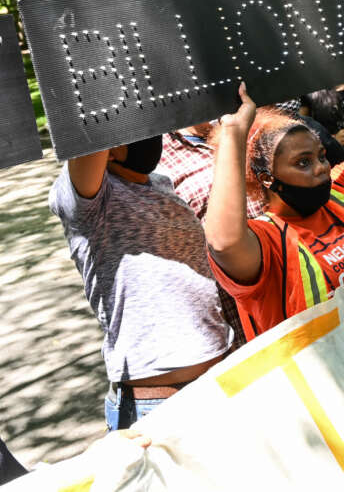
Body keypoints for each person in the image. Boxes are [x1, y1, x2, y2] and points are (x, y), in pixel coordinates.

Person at [203, 64, 344, 337]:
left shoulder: (343, 191)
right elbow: (223, 242)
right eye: (303, 162)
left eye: (321, 155)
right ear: (267, 178)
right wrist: (234, 132)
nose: (321, 168)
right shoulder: (267, 242)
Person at [49, 136, 234, 429]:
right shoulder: (87, 199)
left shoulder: (160, 182)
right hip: (158, 408)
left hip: (222, 381)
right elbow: (90, 118)